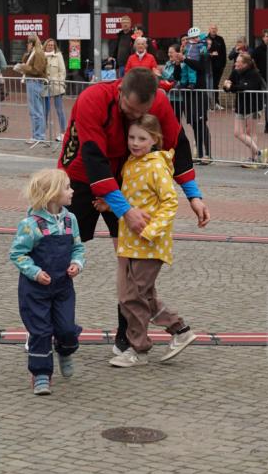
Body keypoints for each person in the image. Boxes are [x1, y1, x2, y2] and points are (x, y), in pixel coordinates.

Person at [58, 67, 210, 354]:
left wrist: (194, 196)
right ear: (119, 93)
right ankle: (48, 328)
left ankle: (126, 336)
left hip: (128, 177)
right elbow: (93, 158)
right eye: (128, 109)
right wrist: (125, 210)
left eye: (141, 111)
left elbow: (178, 145)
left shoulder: (160, 102)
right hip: (79, 175)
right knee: (57, 249)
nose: (132, 115)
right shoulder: (93, 99)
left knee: (129, 259)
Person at [94, 114, 196, 367]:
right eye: (131, 137)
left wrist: (152, 231)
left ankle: (138, 349)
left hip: (150, 245)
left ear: (155, 140)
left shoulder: (156, 166)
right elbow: (133, 200)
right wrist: (110, 206)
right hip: (132, 243)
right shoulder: (131, 163)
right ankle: (180, 330)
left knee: (132, 296)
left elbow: (170, 202)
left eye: (142, 138)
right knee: (144, 296)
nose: (135, 143)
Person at [9, 169, 85, 396]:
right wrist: (34, 272)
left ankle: (65, 350)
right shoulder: (30, 224)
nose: (72, 191)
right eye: (67, 187)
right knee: (40, 331)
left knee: (67, 329)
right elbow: (17, 254)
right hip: (35, 289)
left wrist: (77, 263)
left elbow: (78, 247)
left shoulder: (71, 220)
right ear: (52, 194)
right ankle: (41, 374)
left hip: (62, 286)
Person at [223, 52, 268, 167]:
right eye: (236, 62)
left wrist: (231, 87)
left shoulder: (254, 74)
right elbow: (229, 84)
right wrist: (226, 86)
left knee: (251, 132)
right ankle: (260, 153)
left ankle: (253, 159)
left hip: (253, 107)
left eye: (238, 62)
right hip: (241, 106)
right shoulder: (235, 71)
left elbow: (246, 87)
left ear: (245, 64)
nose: (236, 64)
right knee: (238, 132)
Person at [180, 27, 212, 163]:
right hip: (188, 91)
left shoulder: (203, 49)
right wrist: (178, 63)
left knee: (201, 123)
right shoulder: (186, 49)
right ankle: (199, 153)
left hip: (199, 90)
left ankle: (208, 154)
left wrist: (185, 60)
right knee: (193, 123)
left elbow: (201, 67)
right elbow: (180, 72)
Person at [14, 33, 47, 146]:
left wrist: (22, 67)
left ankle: (39, 135)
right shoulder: (33, 53)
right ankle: (36, 135)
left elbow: (37, 70)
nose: (26, 44)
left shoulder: (38, 53)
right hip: (32, 82)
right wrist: (27, 53)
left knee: (36, 111)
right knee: (35, 110)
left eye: (28, 42)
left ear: (32, 43)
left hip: (34, 82)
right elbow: (26, 61)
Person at [42, 38, 67, 141]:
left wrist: (59, 81)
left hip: (56, 85)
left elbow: (62, 71)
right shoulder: (41, 56)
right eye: (49, 45)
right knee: (45, 111)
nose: (51, 46)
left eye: (52, 45)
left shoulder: (58, 55)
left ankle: (63, 132)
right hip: (45, 86)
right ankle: (43, 133)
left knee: (59, 110)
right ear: (45, 46)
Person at [251, 29, 268, 131]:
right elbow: (251, 61)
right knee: (260, 102)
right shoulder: (258, 50)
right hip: (262, 79)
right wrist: (257, 72)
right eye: (267, 36)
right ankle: (252, 123)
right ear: (263, 38)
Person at [207, 24, 227, 109]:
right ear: (209, 29)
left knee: (216, 84)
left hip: (218, 67)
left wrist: (223, 65)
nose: (214, 30)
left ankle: (216, 103)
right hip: (208, 67)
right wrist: (211, 54)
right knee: (208, 85)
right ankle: (208, 104)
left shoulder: (220, 39)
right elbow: (202, 52)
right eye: (212, 28)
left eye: (215, 28)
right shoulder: (205, 39)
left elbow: (224, 52)